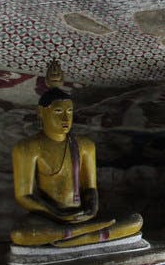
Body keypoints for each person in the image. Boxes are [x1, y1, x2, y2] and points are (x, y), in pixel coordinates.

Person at [10, 61, 142, 247]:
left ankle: (77, 236)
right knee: (20, 235)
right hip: (49, 217)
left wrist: (91, 210)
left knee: (135, 220)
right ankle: (81, 234)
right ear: (41, 113)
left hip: (82, 215)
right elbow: (23, 196)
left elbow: (90, 188)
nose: (65, 118)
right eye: (58, 111)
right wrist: (57, 214)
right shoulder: (27, 147)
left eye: (69, 112)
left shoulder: (85, 145)